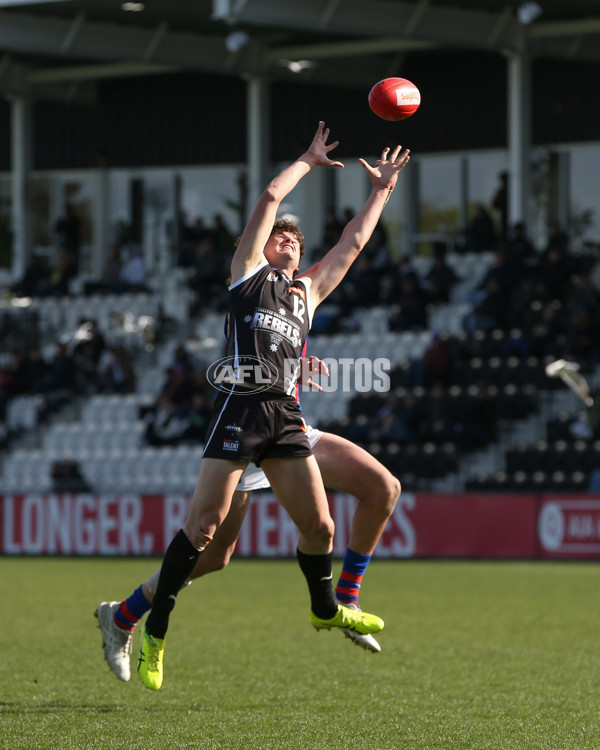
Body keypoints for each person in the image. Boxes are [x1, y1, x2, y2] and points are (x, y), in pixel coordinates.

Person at [123, 121, 410, 690]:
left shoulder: (306, 294)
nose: (290, 242)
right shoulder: (247, 277)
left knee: (322, 526)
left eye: (297, 241)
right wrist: (307, 159)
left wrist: (379, 192)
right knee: (203, 531)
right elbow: (271, 198)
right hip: (239, 411)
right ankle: (155, 628)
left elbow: (352, 244)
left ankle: (326, 607)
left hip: (283, 416)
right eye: (282, 238)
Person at [95, 419, 402, 681]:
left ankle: (346, 598)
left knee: (384, 488)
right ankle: (123, 616)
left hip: (287, 427)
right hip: (245, 433)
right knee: (214, 555)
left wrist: (301, 365)